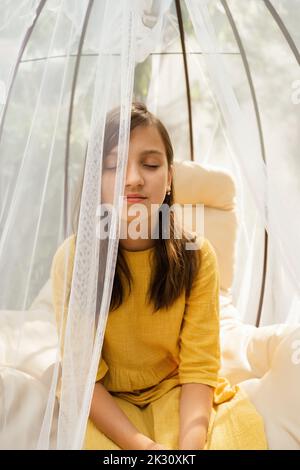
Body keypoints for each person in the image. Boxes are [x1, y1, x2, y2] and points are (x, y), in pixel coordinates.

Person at [51, 102, 267, 450]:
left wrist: (188, 449)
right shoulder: (76, 259)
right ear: (96, 182)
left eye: (150, 164)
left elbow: (199, 368)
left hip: (177, 390)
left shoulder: (197, 255)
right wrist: (145, 447)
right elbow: (82, 378)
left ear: (168, 178)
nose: (133, 178)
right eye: (114, 165)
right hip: (107, 402)